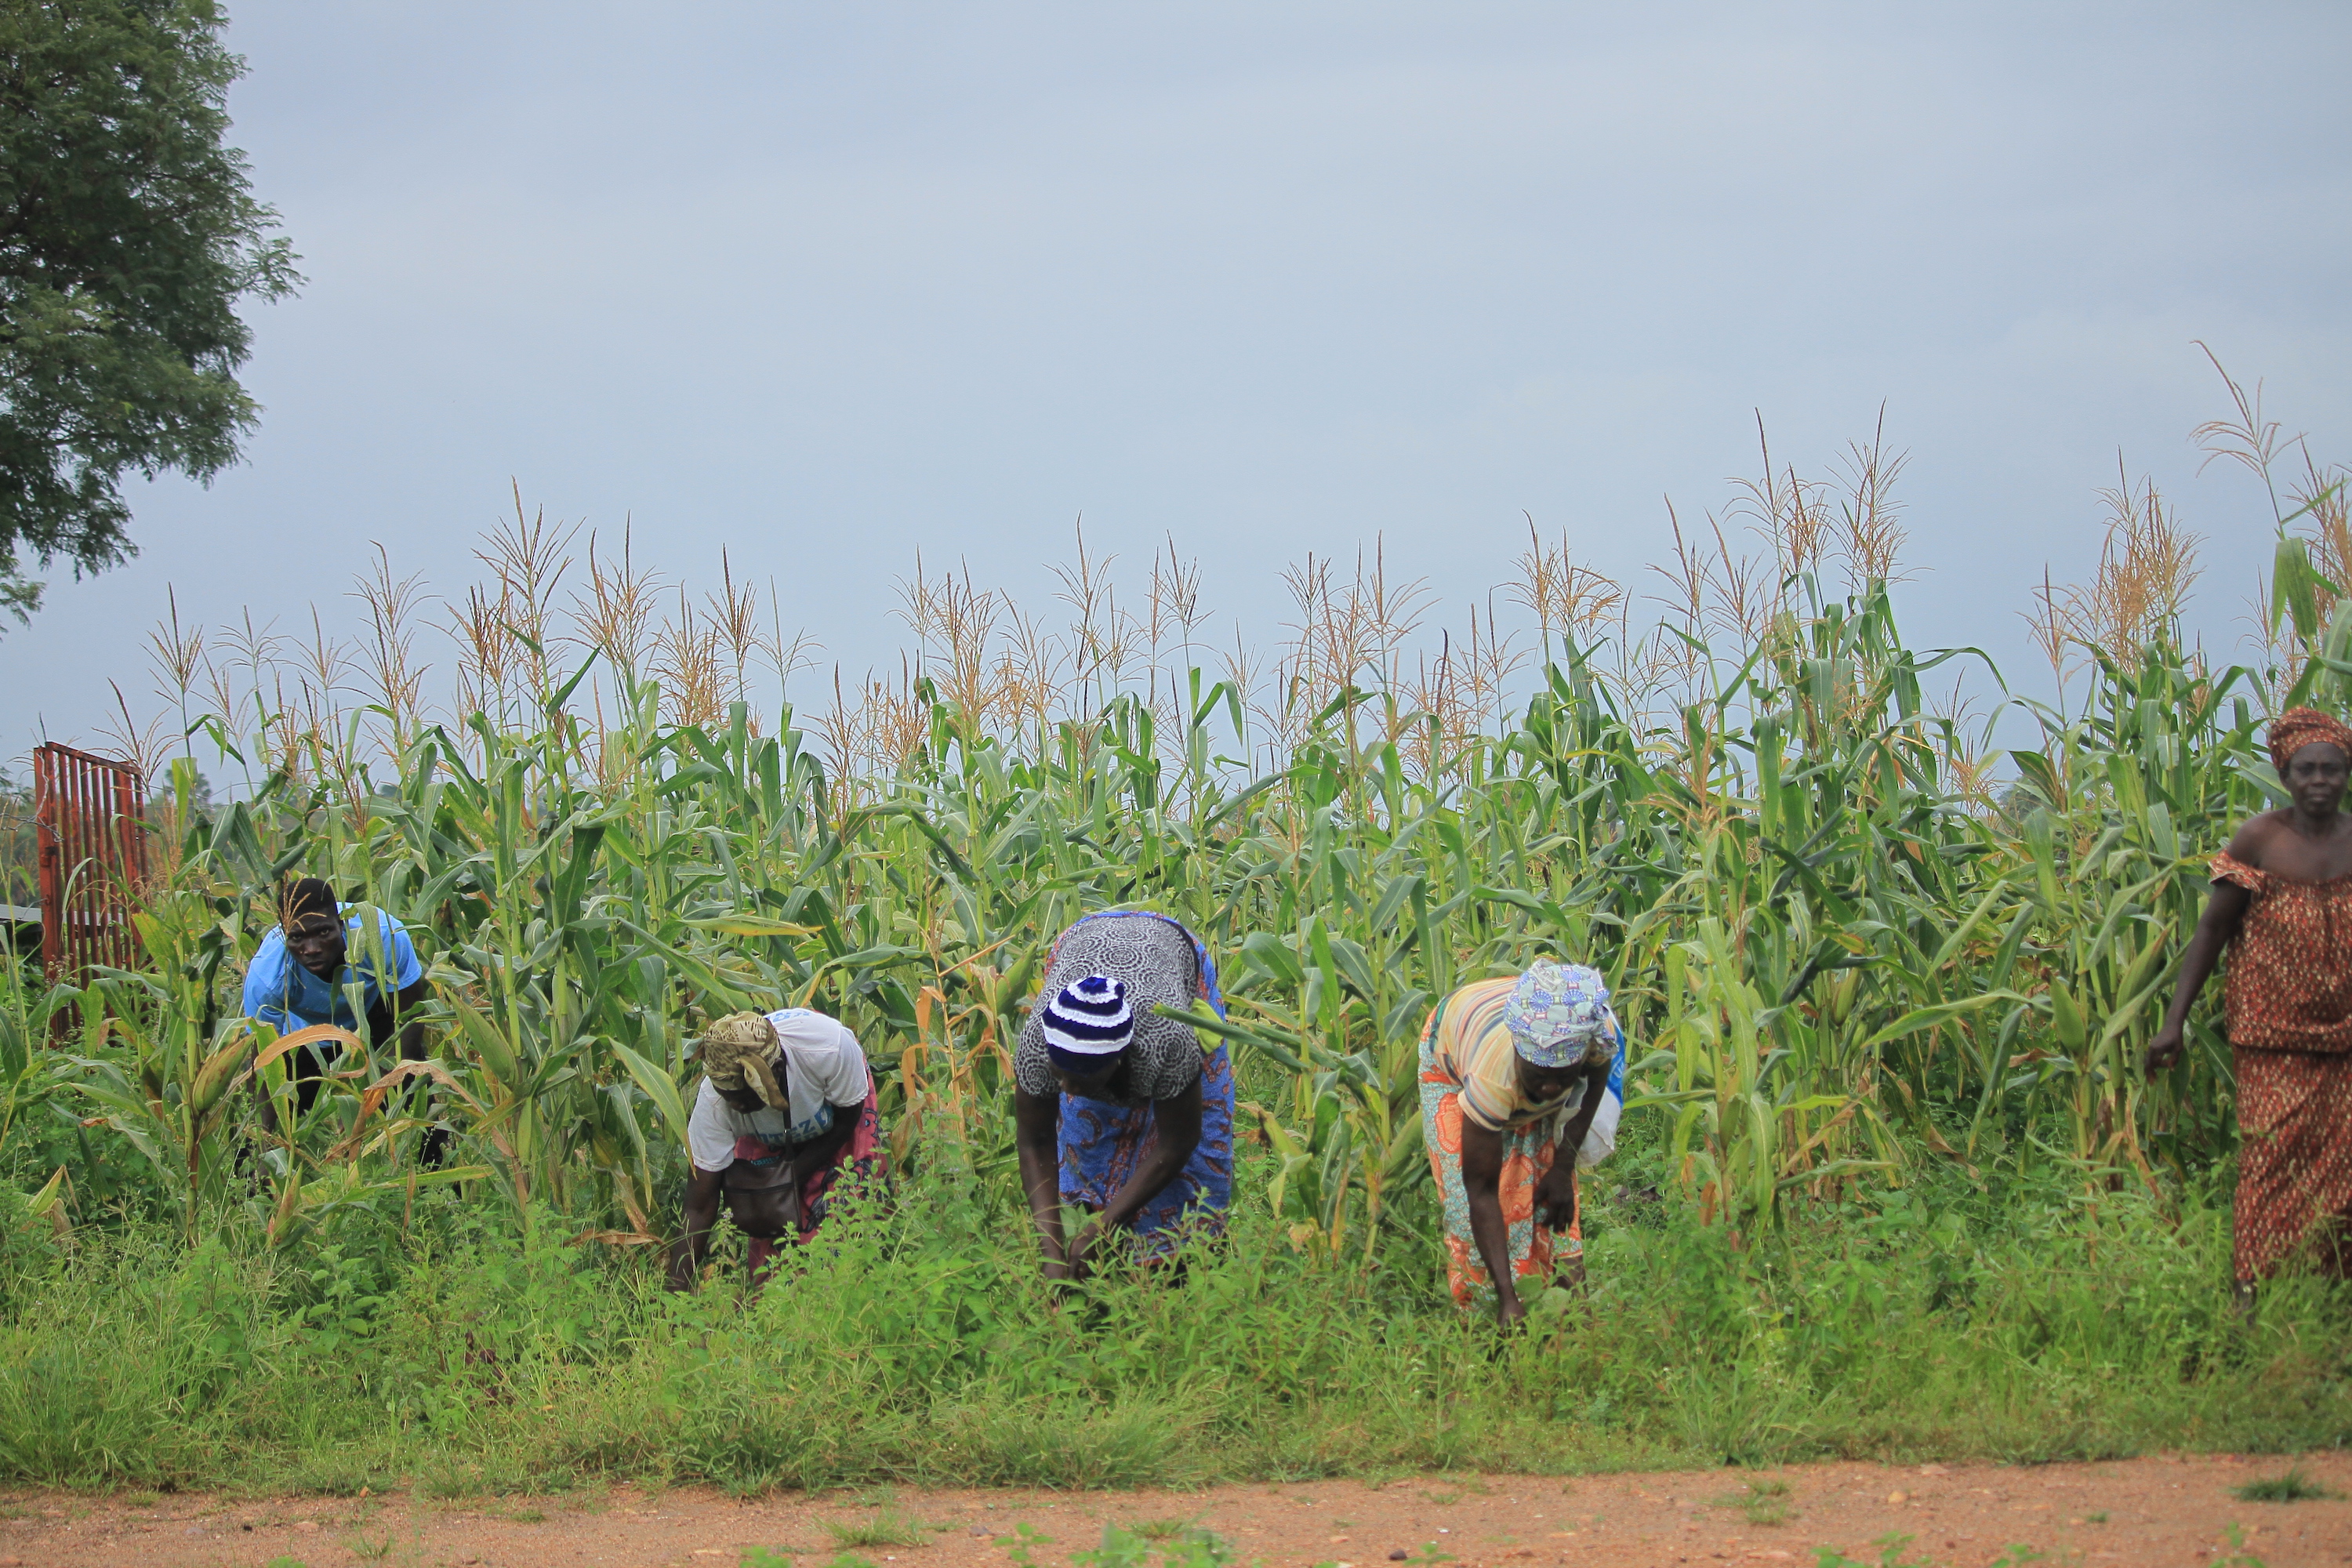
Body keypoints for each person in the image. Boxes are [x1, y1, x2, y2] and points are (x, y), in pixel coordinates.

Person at [2147, 705, 2352, 1291]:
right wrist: (2173, 1023)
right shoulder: (2260, 839)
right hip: (2270, 1034)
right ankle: (2252, 1292)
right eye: (2307, 770)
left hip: (2344, 1038)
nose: (2319, 781)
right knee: (2270, 1160)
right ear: (2286, 776)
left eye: (2332, 770)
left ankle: (2325, 1297)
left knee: (2342, 1169)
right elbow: (2212, 930)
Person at [1012, 911, 1233, 1281]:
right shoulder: (1039, 1043)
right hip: (1084, 940)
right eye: (1059, 1076)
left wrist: (1104, 1226)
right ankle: (1090, 1271)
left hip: (1167, 954)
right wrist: (1051, 1251)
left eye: (1080, 1081)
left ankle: (1185, 1274)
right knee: (1086, 1137)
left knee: (1197, 1165)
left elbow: (1180, 1141)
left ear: (1118, 1060)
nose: (1066, 1089)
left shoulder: (1168, 1038)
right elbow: (1035, 1142)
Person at [1418, 958, 1624, 1326]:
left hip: (1540, 1030)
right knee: (1469, 1207)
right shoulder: (1492, 1076)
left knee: (1550, 1194)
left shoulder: (1590, 1033)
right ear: (1520, 1055)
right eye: (1539, 1076)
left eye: (1562, 1078)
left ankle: (1566, 1315)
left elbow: (1594, 1084)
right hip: (1450, 1057)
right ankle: (1484, 1321)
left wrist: (1562, 1168)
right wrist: (1507, 1298)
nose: (1549, 1091)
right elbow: (1478, 1191)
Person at [667, 1006, 887, 1290]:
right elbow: (699, 1205)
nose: (738, 1107)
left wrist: (790, 1175)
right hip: (773, 1137)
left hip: (838, 1117)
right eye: (729, 1097)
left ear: (778, 1070)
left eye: (745, 1097)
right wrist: (674, 1299)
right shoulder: (714, 1105)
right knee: (773, 1234)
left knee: (852, 1216)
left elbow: (847, 1121)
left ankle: (857, 1294)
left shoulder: (827, 1050)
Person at [241, 877, 431, 1136]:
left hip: (376, 1019)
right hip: (305, 1038)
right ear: (284, 935)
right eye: (297, 937)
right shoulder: (267, 977)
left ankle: (435, 1169)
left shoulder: (383, 937)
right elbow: (263, 1063)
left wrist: (378, 1092)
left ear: (340, 923)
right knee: (275, 1122)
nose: (311, 948)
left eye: (323, 932)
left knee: (414, 1097)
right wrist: (261, 1143)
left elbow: (410, 1015)